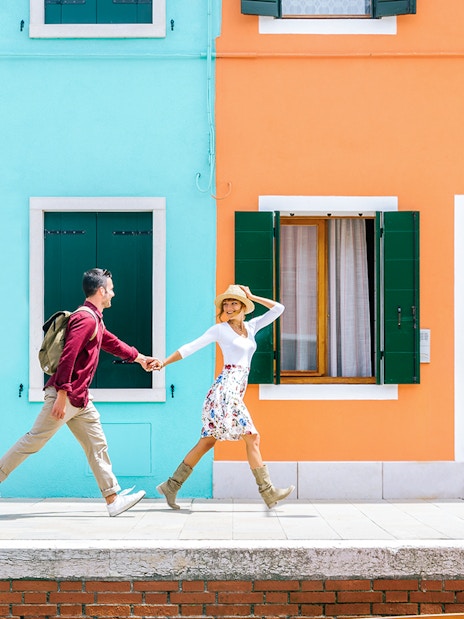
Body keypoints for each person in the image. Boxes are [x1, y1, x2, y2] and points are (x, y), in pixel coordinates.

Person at [0, 268, 157, 517]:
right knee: (33, 442)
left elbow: (111, 342)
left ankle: (112, 499)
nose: (113, 294)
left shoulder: (95, 319)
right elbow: (68, 356)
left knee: (97, 445)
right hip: (67, 395)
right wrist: (62, 393)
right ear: (101, 290)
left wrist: (139, 358)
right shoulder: (84, 318)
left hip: (80, 398)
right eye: (111, 289)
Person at [153, 284, 295, 510]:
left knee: (208, 441)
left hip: (235, 389)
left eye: (234, 303)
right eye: (226, 303)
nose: (228, 307)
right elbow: (190, 347)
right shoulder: (219, 330)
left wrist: (252, 295)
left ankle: (172, 485)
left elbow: (279, 308)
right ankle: (268, 492)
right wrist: (163, 362)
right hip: (225, 390)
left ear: (243, 306)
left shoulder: (251, 327)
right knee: (252, 437)